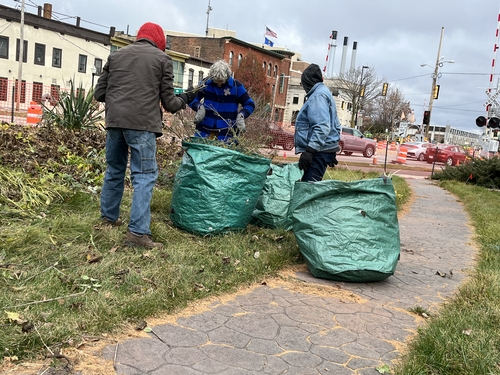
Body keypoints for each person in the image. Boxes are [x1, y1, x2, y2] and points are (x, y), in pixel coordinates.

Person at [94, 21, 195, 249]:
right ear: (159, 42)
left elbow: (99, 93)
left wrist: (120, 99)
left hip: (115, 122)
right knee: (144, 176)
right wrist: (187, 98)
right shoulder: (162, 60)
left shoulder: (116, 56)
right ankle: (138, 233)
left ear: (139, 36)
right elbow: (170, 103)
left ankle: (108, 219)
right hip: (142, 125)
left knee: (114, 170)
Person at [294, 63, 341, 182]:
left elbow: (322, 126)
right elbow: (334, 123)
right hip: (322, 150)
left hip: (318, 152)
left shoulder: (317, 96)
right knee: (309, 187)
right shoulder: (324, 92)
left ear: (307, 82)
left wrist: (309, 151)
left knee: (307, 190)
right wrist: (331, 147)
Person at [189, 60, 255, 142]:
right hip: (204, 131)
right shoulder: (205, 83)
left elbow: (250, 104)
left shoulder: (236, 87)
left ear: (227, 77)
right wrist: (199, 107)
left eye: (221, 81)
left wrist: (242, 115)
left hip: (227, 135)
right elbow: (192, 98)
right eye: (216, 81)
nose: (218, 84)